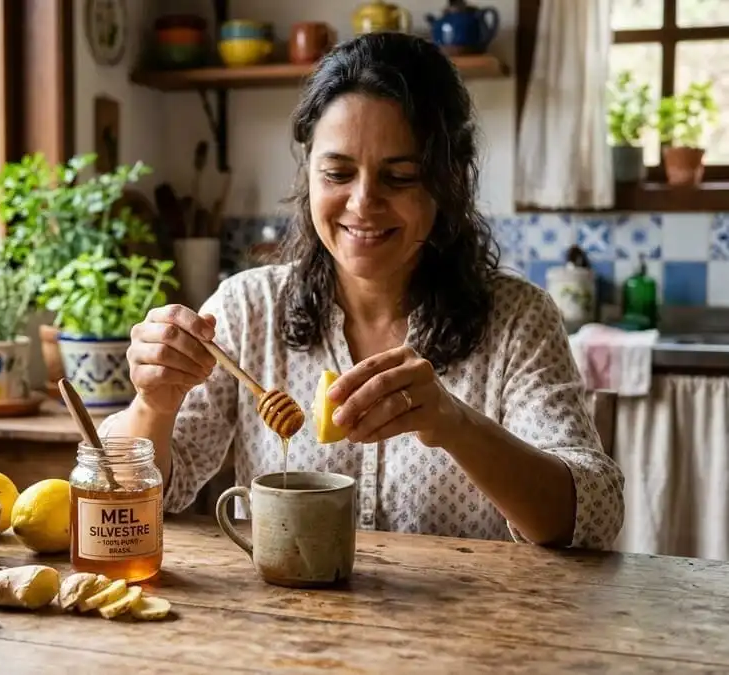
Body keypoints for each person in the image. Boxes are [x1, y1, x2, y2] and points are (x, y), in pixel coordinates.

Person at [100, 32, 625, 550]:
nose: (363, 203)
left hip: (464, 632)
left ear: (451, 182)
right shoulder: (245, 311)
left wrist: (455, 423)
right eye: (337, 173)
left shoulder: (517, 320)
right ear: (308, 173)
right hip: (283, 631)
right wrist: (154, 403)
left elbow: (591, 516)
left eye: (399, 177)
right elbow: (119, 495)